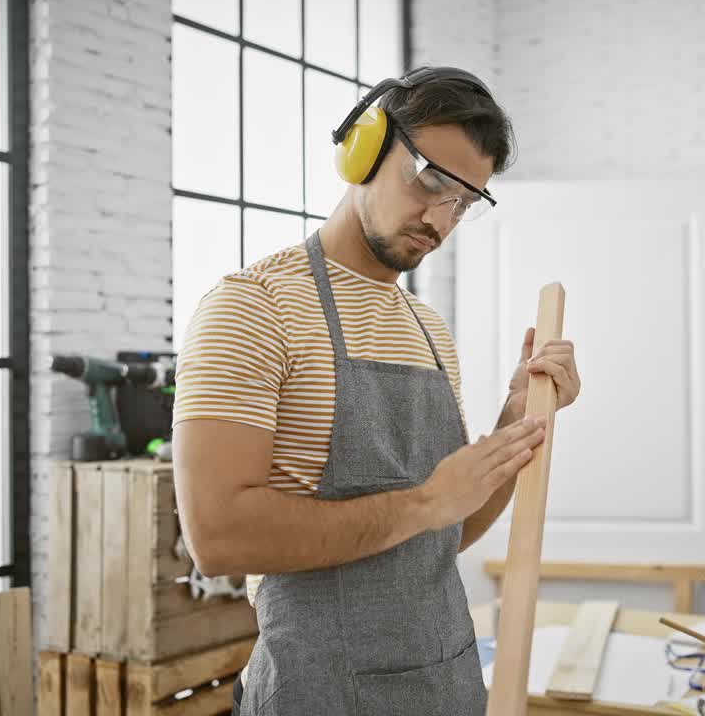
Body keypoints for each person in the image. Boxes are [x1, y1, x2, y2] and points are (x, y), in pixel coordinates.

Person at [172, 66, 582, 716]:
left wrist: (515, 420)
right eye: (431, 181)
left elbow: (442, 532)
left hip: (445, 687)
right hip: (318, 696)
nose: (441, 218)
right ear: (362, 149)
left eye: (465, 201)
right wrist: (423, 503)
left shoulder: (426, 328)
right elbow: (219, 537)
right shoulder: (252, 308)